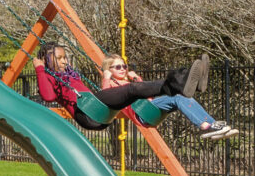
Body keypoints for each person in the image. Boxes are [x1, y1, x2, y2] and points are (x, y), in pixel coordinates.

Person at [33, 42, 208, 131]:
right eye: (59, 58)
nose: (65, 61)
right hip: (87, 112)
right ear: (46, 60)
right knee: (132, 90)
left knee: (134, 91)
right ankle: (181, 82)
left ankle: (185, 85)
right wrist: (40, 69)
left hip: (98, 111)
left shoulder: (69, 74)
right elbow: (48, 96)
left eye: (65, 57)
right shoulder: (47, 76)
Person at [101, 54, 239, 140]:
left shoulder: (129, 82)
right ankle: (190, 86)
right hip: (142, 113)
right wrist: (106, 78)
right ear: (109, 70)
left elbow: (146, 93)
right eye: (117, 67)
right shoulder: (112, 84)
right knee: (176, 94)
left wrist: (137, 78)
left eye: (124, 66)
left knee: (183, 96)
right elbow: (105, 98)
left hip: (152, 109)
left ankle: (212, 125)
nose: (122, 69)